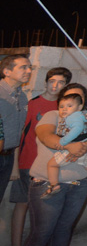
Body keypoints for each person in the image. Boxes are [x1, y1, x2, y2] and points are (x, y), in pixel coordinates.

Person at [26, 85, 87, 246]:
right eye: (66, 99)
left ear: (81, 103)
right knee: (43, 232)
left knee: (64, 229)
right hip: (47, 182)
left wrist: (84, 145)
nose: (68, 106)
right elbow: (45, 136)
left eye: (76, 98)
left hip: (79, 184)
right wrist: (69, 146)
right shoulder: (52, 115)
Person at [11, 67, 70, 246]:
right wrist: (15, 166)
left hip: (51, 166)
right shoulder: (33, 104)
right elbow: (19, 134)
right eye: (52, 81)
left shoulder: (64, 107)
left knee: (46, 211)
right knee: (22, 205)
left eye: (60, 82)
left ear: (66, 85)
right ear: (46, 82)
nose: (55, 85)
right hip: (28, 162)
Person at [42, 93, 87, 198]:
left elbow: (77, 129)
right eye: (61, 106)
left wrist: (63, 142)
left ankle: (54, 185)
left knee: (52, 165)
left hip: (73, 145)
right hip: (86, 145)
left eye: (69, 106)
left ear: (79, 107)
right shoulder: (81, 116)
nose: (64, 109)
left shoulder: (73, 117)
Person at [0, 54, 32, 204]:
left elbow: (19, 131)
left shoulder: (22, 97)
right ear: (7, 71)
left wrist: (14, 165)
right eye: (23, 67)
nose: (29, 71)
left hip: (8, 156)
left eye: (30, 67)